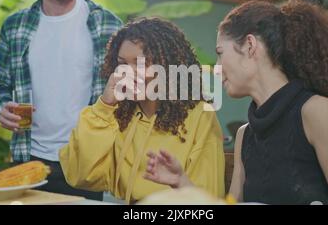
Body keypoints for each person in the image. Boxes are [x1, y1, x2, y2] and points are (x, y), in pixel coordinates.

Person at [145, 0, 328, 205]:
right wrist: (184, 185)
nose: (217, 69)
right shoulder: (245, 135)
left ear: (250, 46)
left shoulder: (316, 111)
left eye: (220, 53)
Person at [59, 18, 225, 204]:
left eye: (140, 63)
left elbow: (207, 201)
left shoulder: (200, 116)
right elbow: (82, 176)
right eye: (122, 63)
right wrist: (104, 105)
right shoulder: (118, 113)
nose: (127, 73)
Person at [0, 0, 122, 200]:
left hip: (86, 161)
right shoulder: (14, 26)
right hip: (29, 160)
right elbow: (0, 84)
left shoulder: (108, 24)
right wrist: (2, 107)